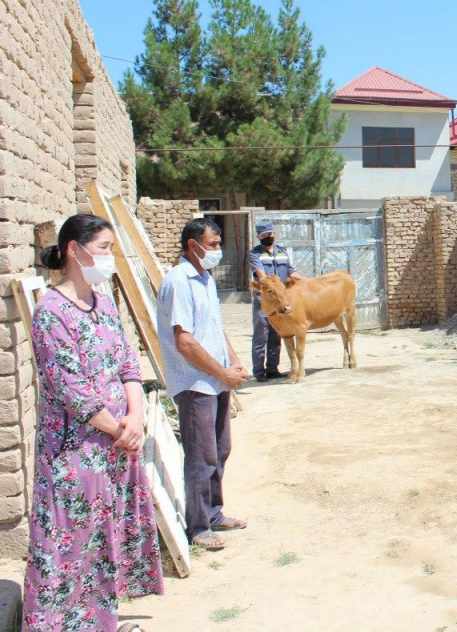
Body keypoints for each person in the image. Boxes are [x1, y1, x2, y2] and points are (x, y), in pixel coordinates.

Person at [23, 214, 163, 631]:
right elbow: (71, 390)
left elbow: (127, 365)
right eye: (103, 248)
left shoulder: (103, 303)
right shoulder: (51, 311)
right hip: (76, 452)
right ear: (74, 249)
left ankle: (100, 621)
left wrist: (135, 416)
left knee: (104, 537)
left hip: (117, 447)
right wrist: (121, 428)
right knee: (72, 541)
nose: (108, 257)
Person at [157, 218, 249, 551]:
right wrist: (222, 374)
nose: (218, 250)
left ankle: (213, 514)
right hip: (195, 383)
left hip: (216, 380)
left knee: (220, 449)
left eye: (219, 243)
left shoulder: (205, 279)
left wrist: (233, 363)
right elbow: (186, 342)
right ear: (193, 246)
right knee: (201, 456)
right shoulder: (179, 282)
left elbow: (214, 327)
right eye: (212, 245)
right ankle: (198, 527)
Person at [249, 222, 304, 383]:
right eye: (264, 235)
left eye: (270, 234)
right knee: (261, 334)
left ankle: (273, 370)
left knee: (277, 335)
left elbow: (290, 272)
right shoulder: (255, 254)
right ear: (258, 237)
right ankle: (259, 372)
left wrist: (310, 281)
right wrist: (273, 284)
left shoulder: (281, 251)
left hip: (281, 301)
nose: (268, 237)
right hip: (265, 301)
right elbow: (261, 274)